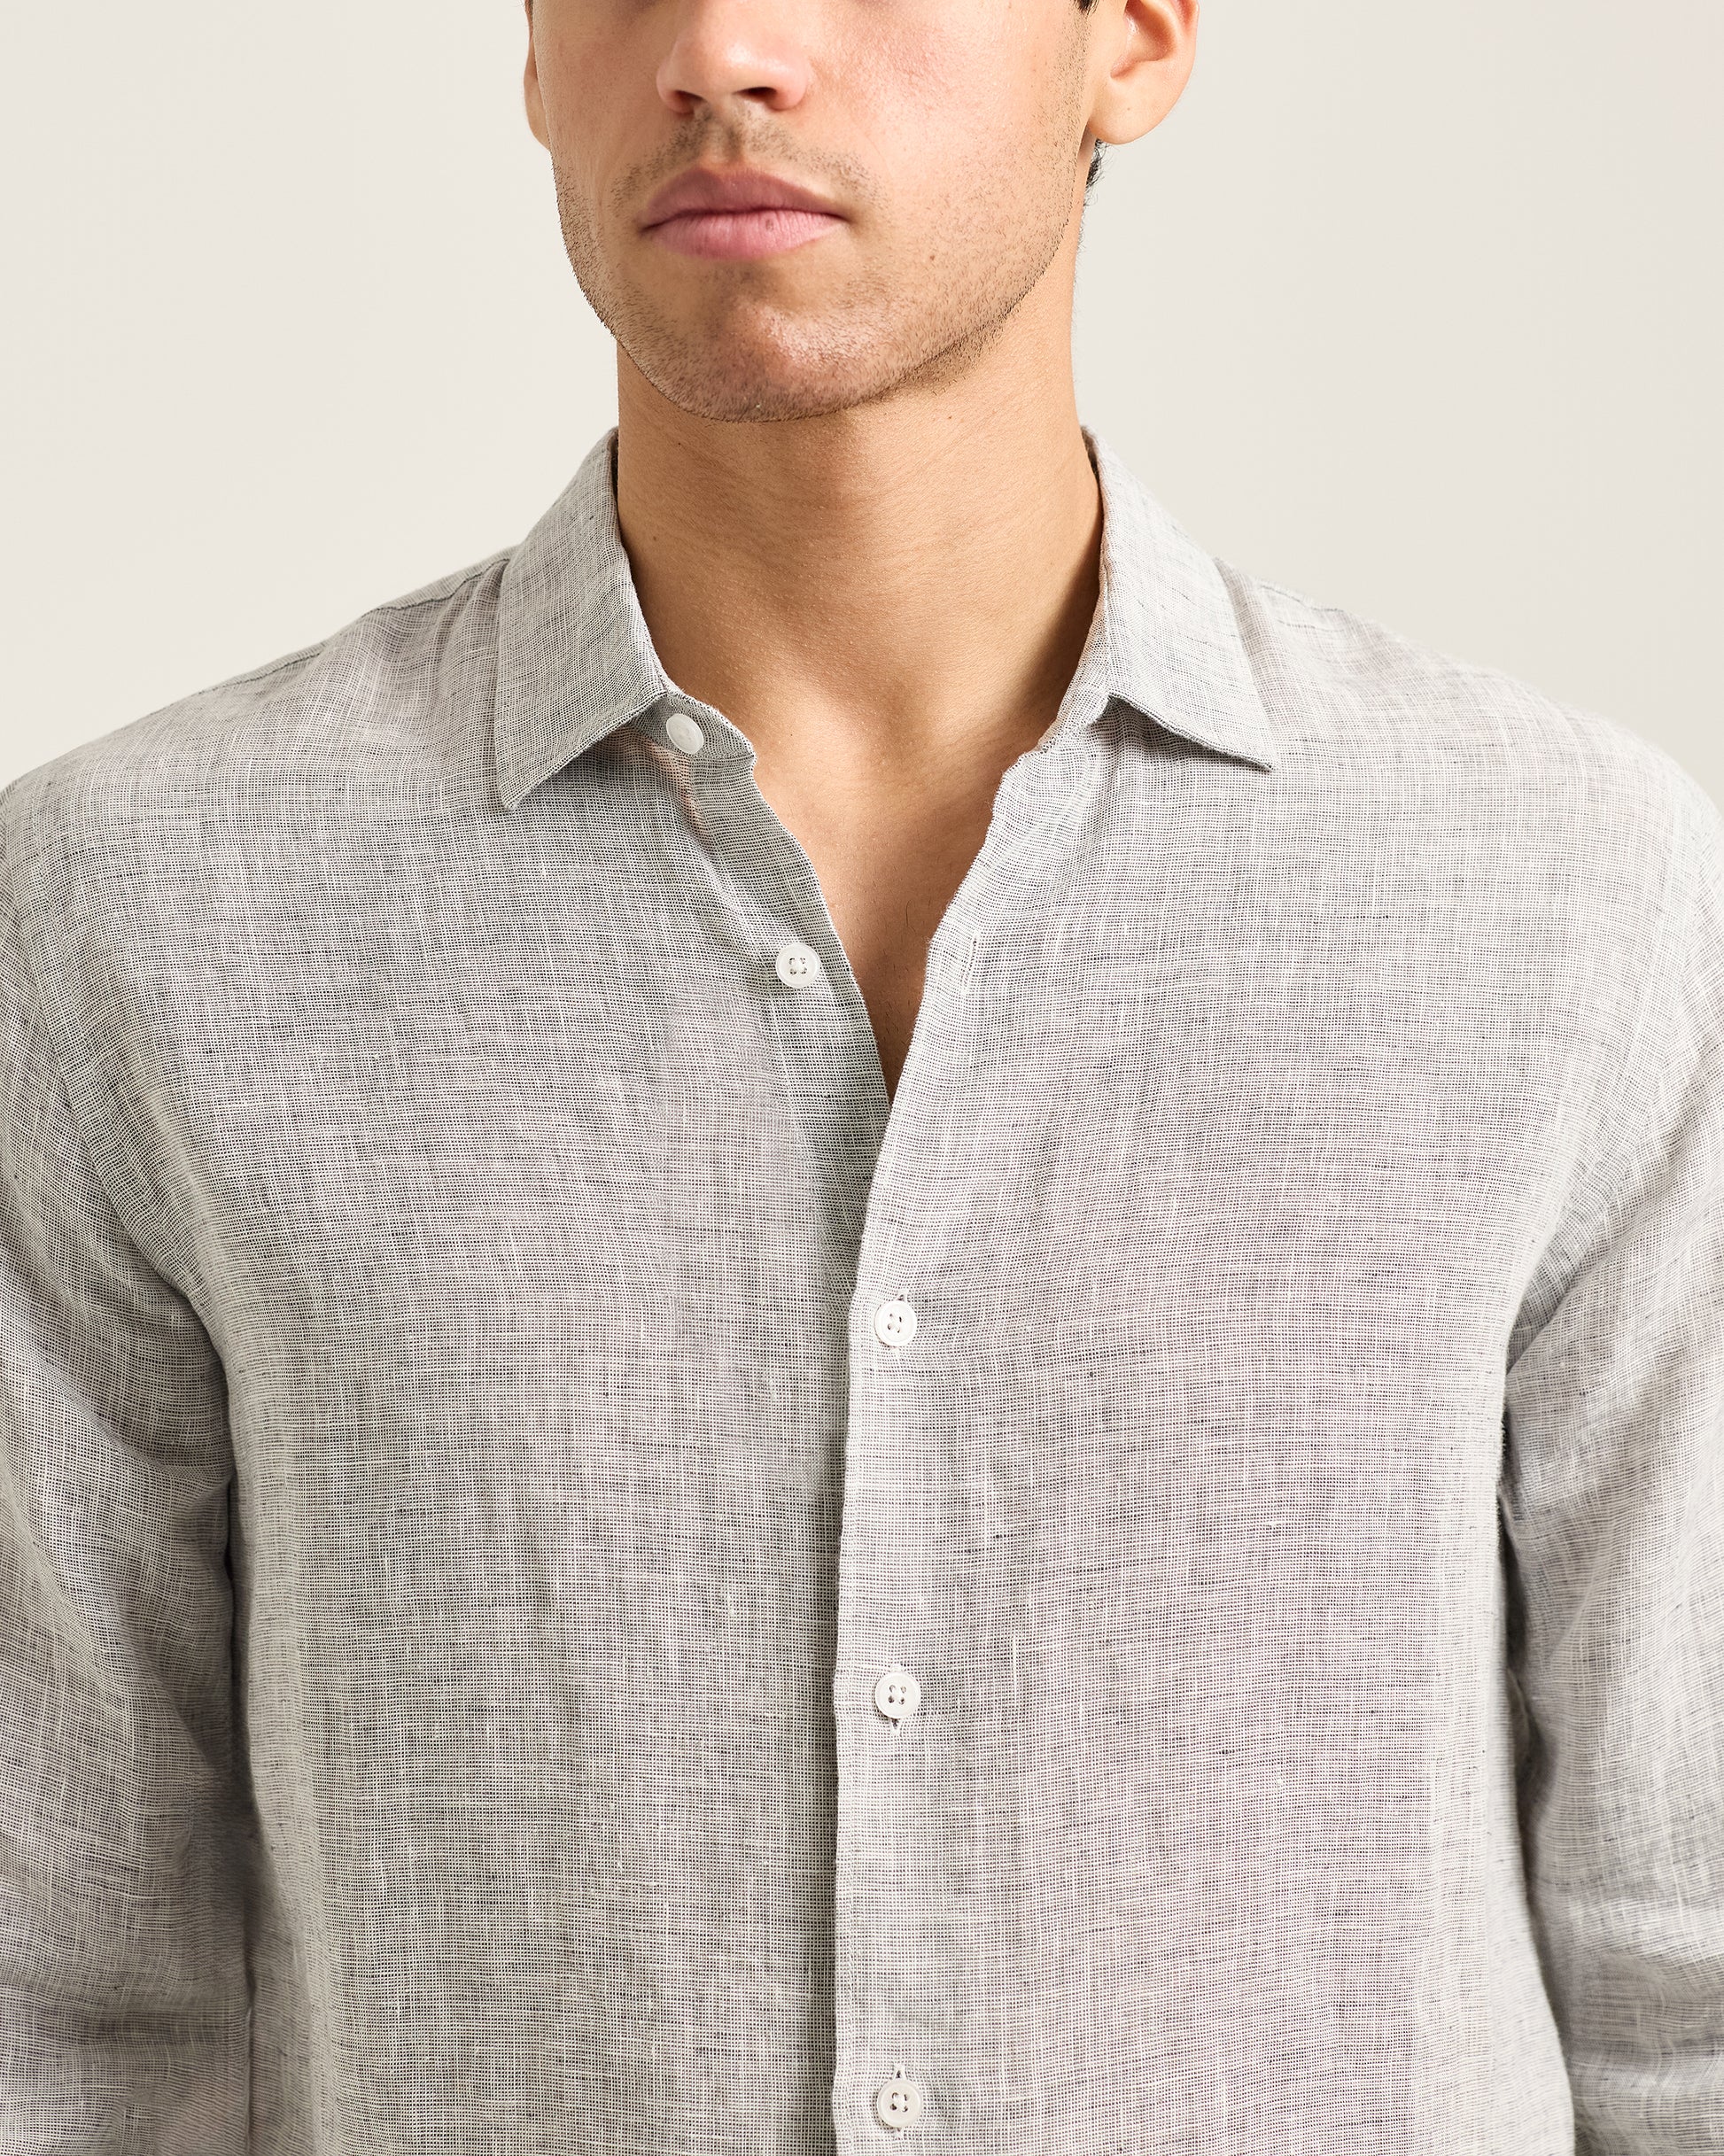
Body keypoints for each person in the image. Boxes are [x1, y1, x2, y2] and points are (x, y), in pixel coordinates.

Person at [2, 1, 1720, 2150]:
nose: (721, 45)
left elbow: (1690, 1954)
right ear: (533, 57)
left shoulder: (1562, 897)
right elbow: (58, 1995)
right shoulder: (138, 915)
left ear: (1137, 35)